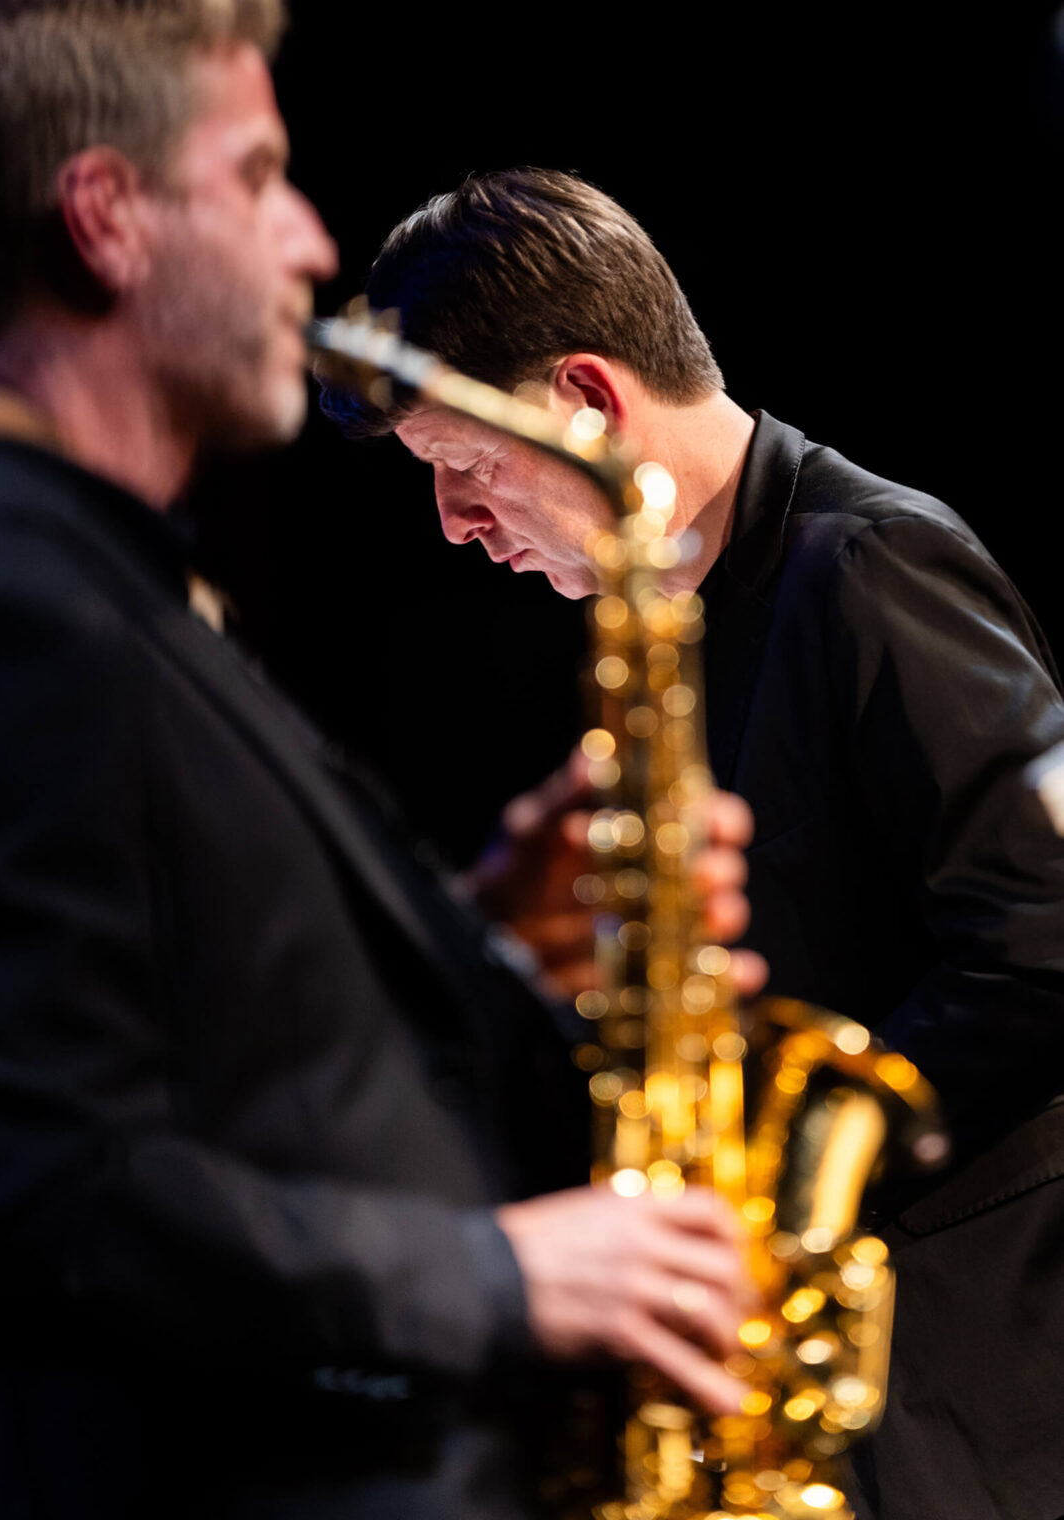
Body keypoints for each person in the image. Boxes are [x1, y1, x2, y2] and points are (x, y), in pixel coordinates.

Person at [0, 0, 764, 1520]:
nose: (310, 241)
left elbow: (185, 1027)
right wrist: (499, 1276)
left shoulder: (115, 583)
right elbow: (47, 1192)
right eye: (259, 177)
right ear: (107, 216)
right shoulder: (27, 602)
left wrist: (489, 938)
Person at [323, 167, 1064, 1520]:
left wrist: (786, 1179)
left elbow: (1046, 940)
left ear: (589, 403)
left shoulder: (875, 564)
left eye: (464, 469)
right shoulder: (673, 628)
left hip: (958, 1387)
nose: (454, 525)